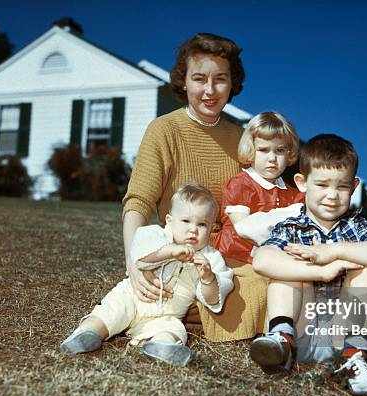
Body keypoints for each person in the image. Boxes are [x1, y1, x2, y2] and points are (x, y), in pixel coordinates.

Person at [120, 33, 267, 341]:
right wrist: (134, 264)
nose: (210, 91)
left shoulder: (243, 138)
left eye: (220, 79)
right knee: (181, 283)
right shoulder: (164, 130)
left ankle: (196, 311)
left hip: (227, 256)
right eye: (199, 79)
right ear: (183, 81)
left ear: (232, 83)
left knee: (271, 279)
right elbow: (137, 203)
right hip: (180, 252)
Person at [251, 134, 367, 395]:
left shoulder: (356, 227)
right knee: (283, 266)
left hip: (341, 335)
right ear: (302, 183)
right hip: (301, 332)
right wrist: (319, 270)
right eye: (322, 184)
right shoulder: (290, 228)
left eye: (342, 187)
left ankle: (353, 359)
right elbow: (262, 260)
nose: (332, 195)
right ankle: (282, 341)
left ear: (353, 187)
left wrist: (333, 252)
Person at [60, 184, 233, 366]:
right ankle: (87, 334)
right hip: (132, 297)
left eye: (202, 224)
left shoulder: (211, 259)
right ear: (169, 220)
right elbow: (140, 256)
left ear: (212, 229)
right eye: (185, 221)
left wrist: (208, 278)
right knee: (111, 311)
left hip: (167, 315)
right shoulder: (155, 234)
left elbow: (213, 300)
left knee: (174, 329)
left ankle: (162, 346)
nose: (193, 229)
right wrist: (170, 251)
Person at [214, 111, 304, 264]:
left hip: (273, 257)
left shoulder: (293, 194)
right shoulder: (241, 185)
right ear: (250, 149)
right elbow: (245, 228)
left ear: (289, 154)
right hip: (235, 256)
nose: (272, 158)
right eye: (263, 150)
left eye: (280, 151)